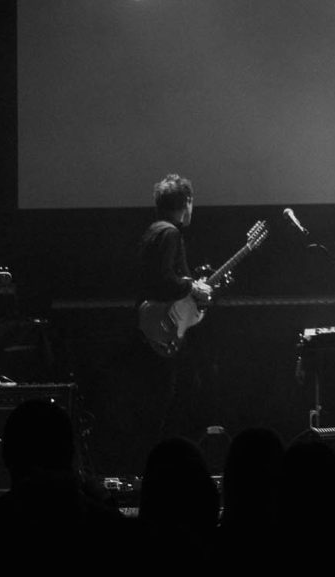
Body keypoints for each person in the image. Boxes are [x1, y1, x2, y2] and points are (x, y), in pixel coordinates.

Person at [135, 173, 211, 459]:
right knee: (175, 400)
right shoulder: (171, 233)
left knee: (158, 400)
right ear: (187, 202)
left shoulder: (153, 231)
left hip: (150, 324)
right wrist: (191, 285)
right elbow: (165, 280)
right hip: (161, 329)